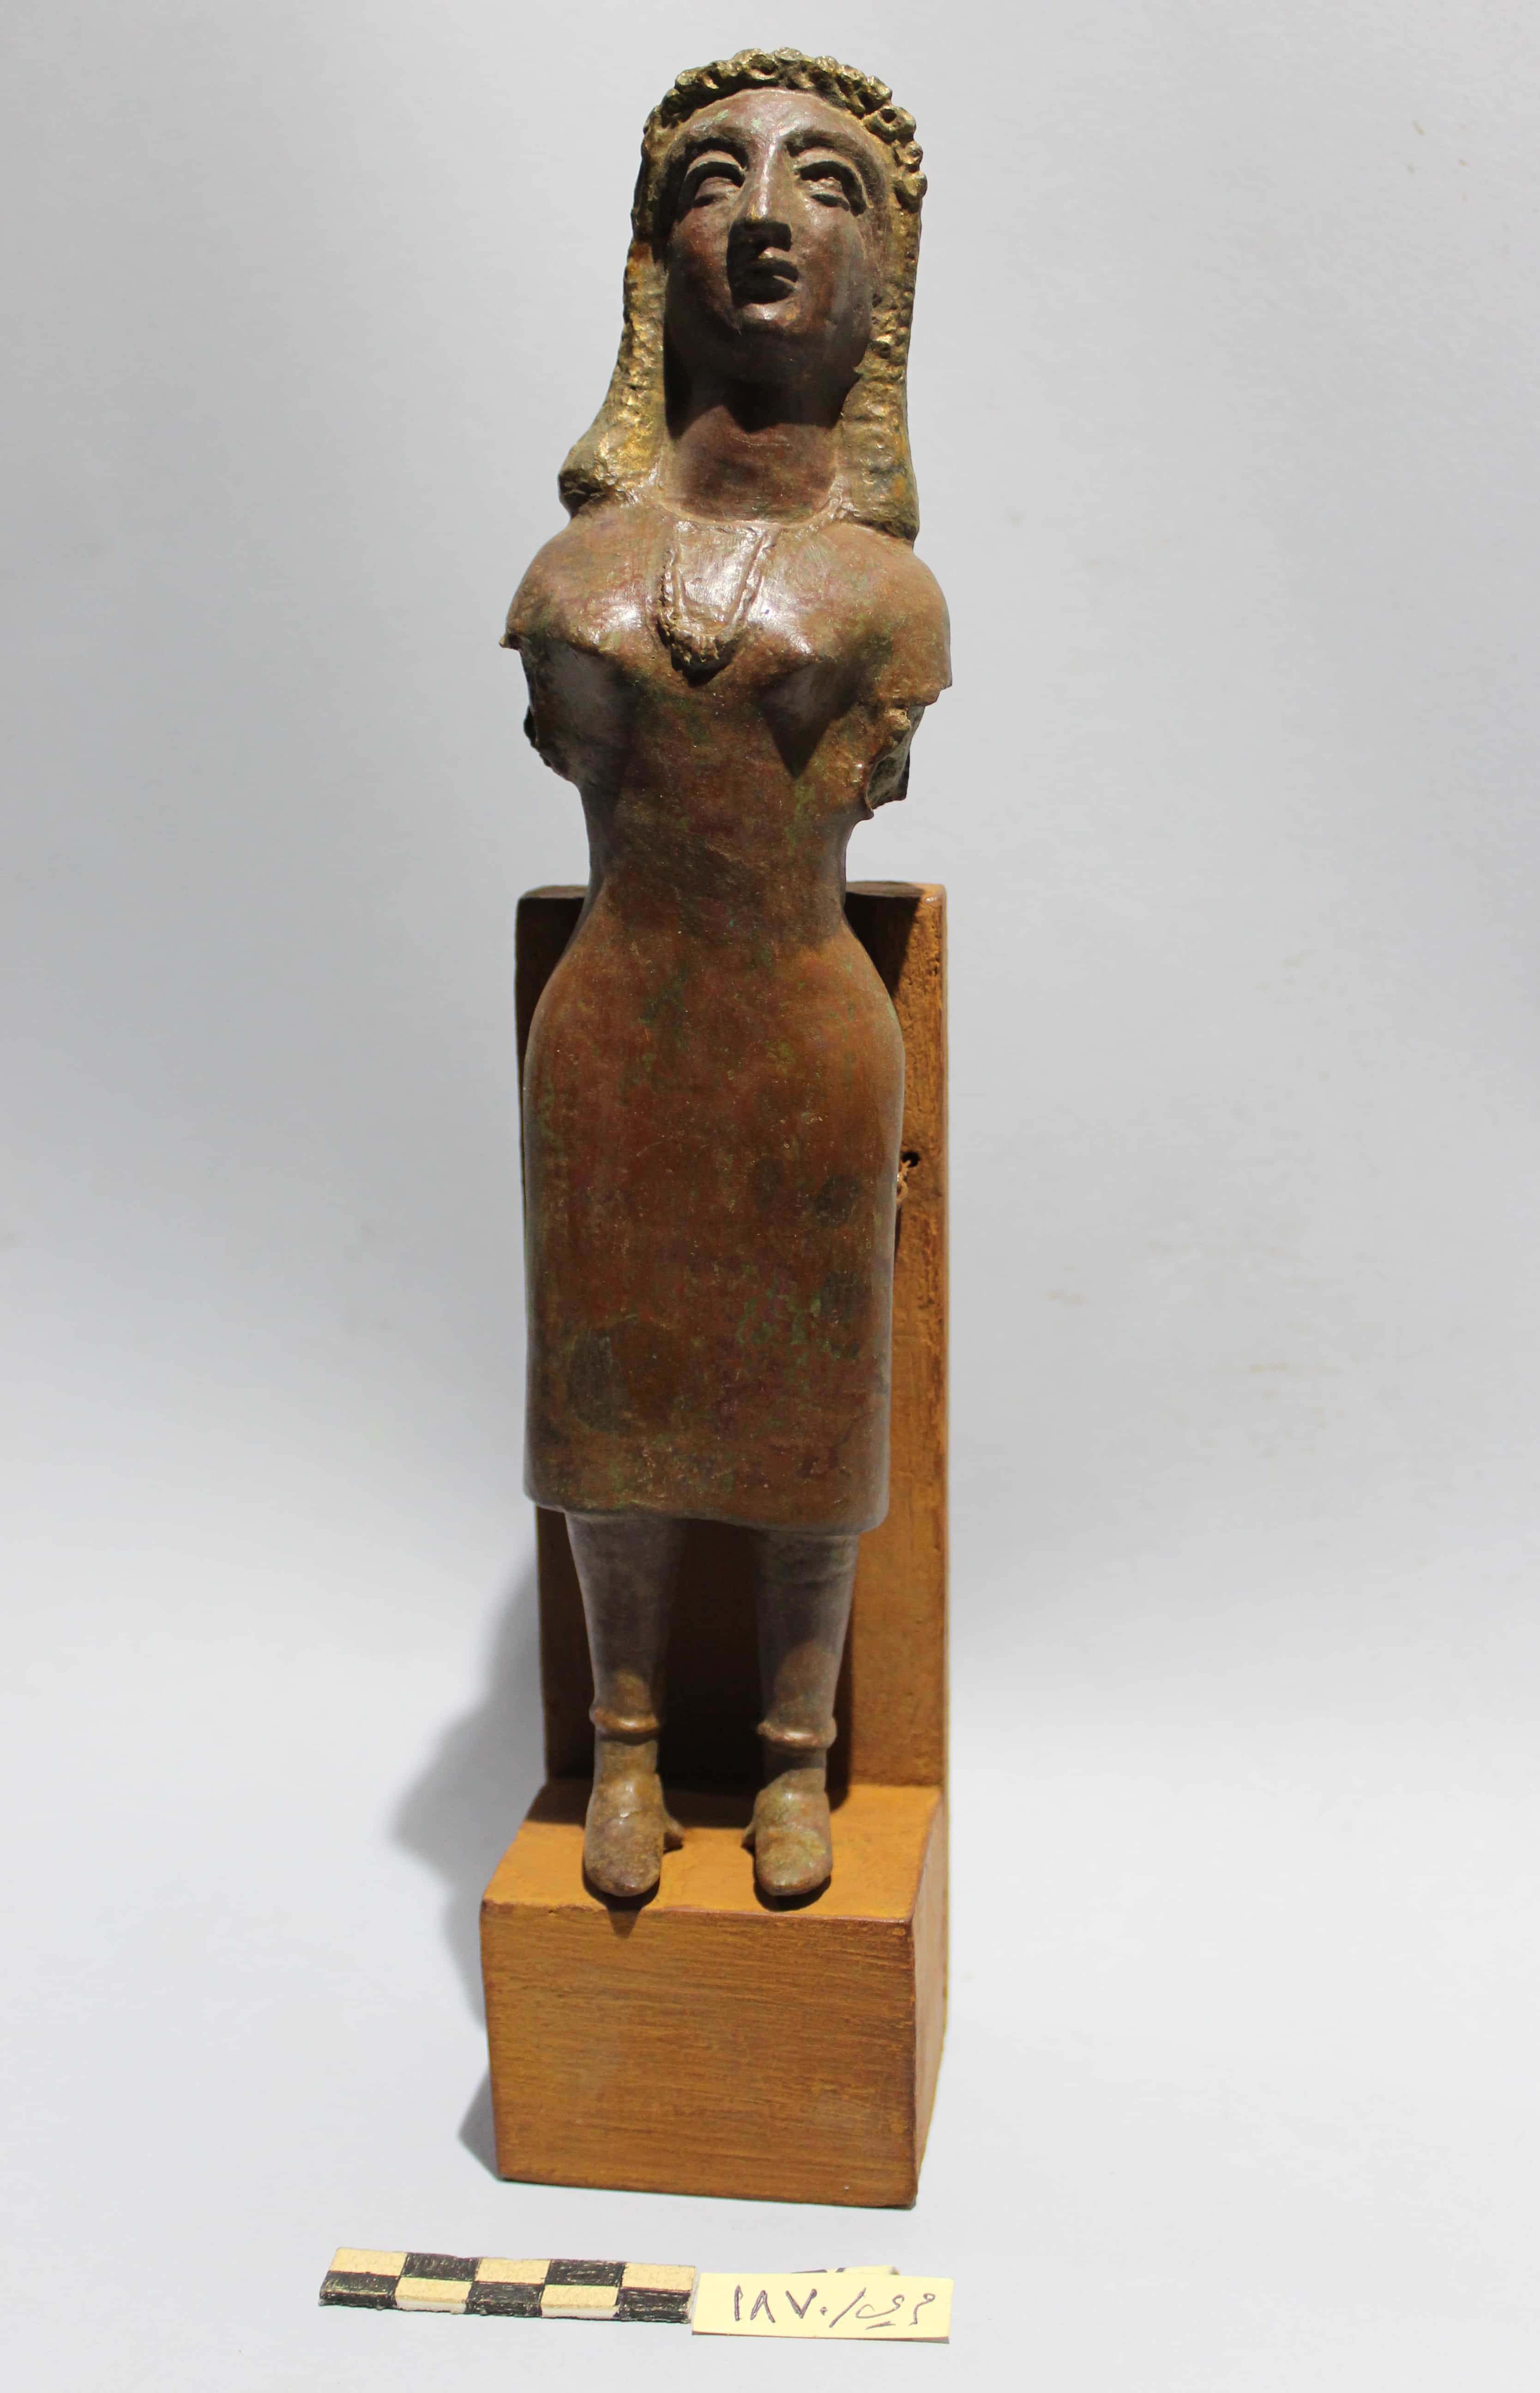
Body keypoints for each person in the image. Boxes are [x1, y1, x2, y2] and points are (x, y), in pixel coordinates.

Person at [503, 50, 949, 1899]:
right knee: (607, 1401)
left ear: (884, 278)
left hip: (807, 1033)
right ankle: (621, 1747)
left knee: (810, 1407)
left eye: (826, 183)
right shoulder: (572, 581)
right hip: (614, 1029)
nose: (764, 218)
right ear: (650, 256)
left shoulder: (888, 602)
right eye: (713, 177)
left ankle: (792, 1761)